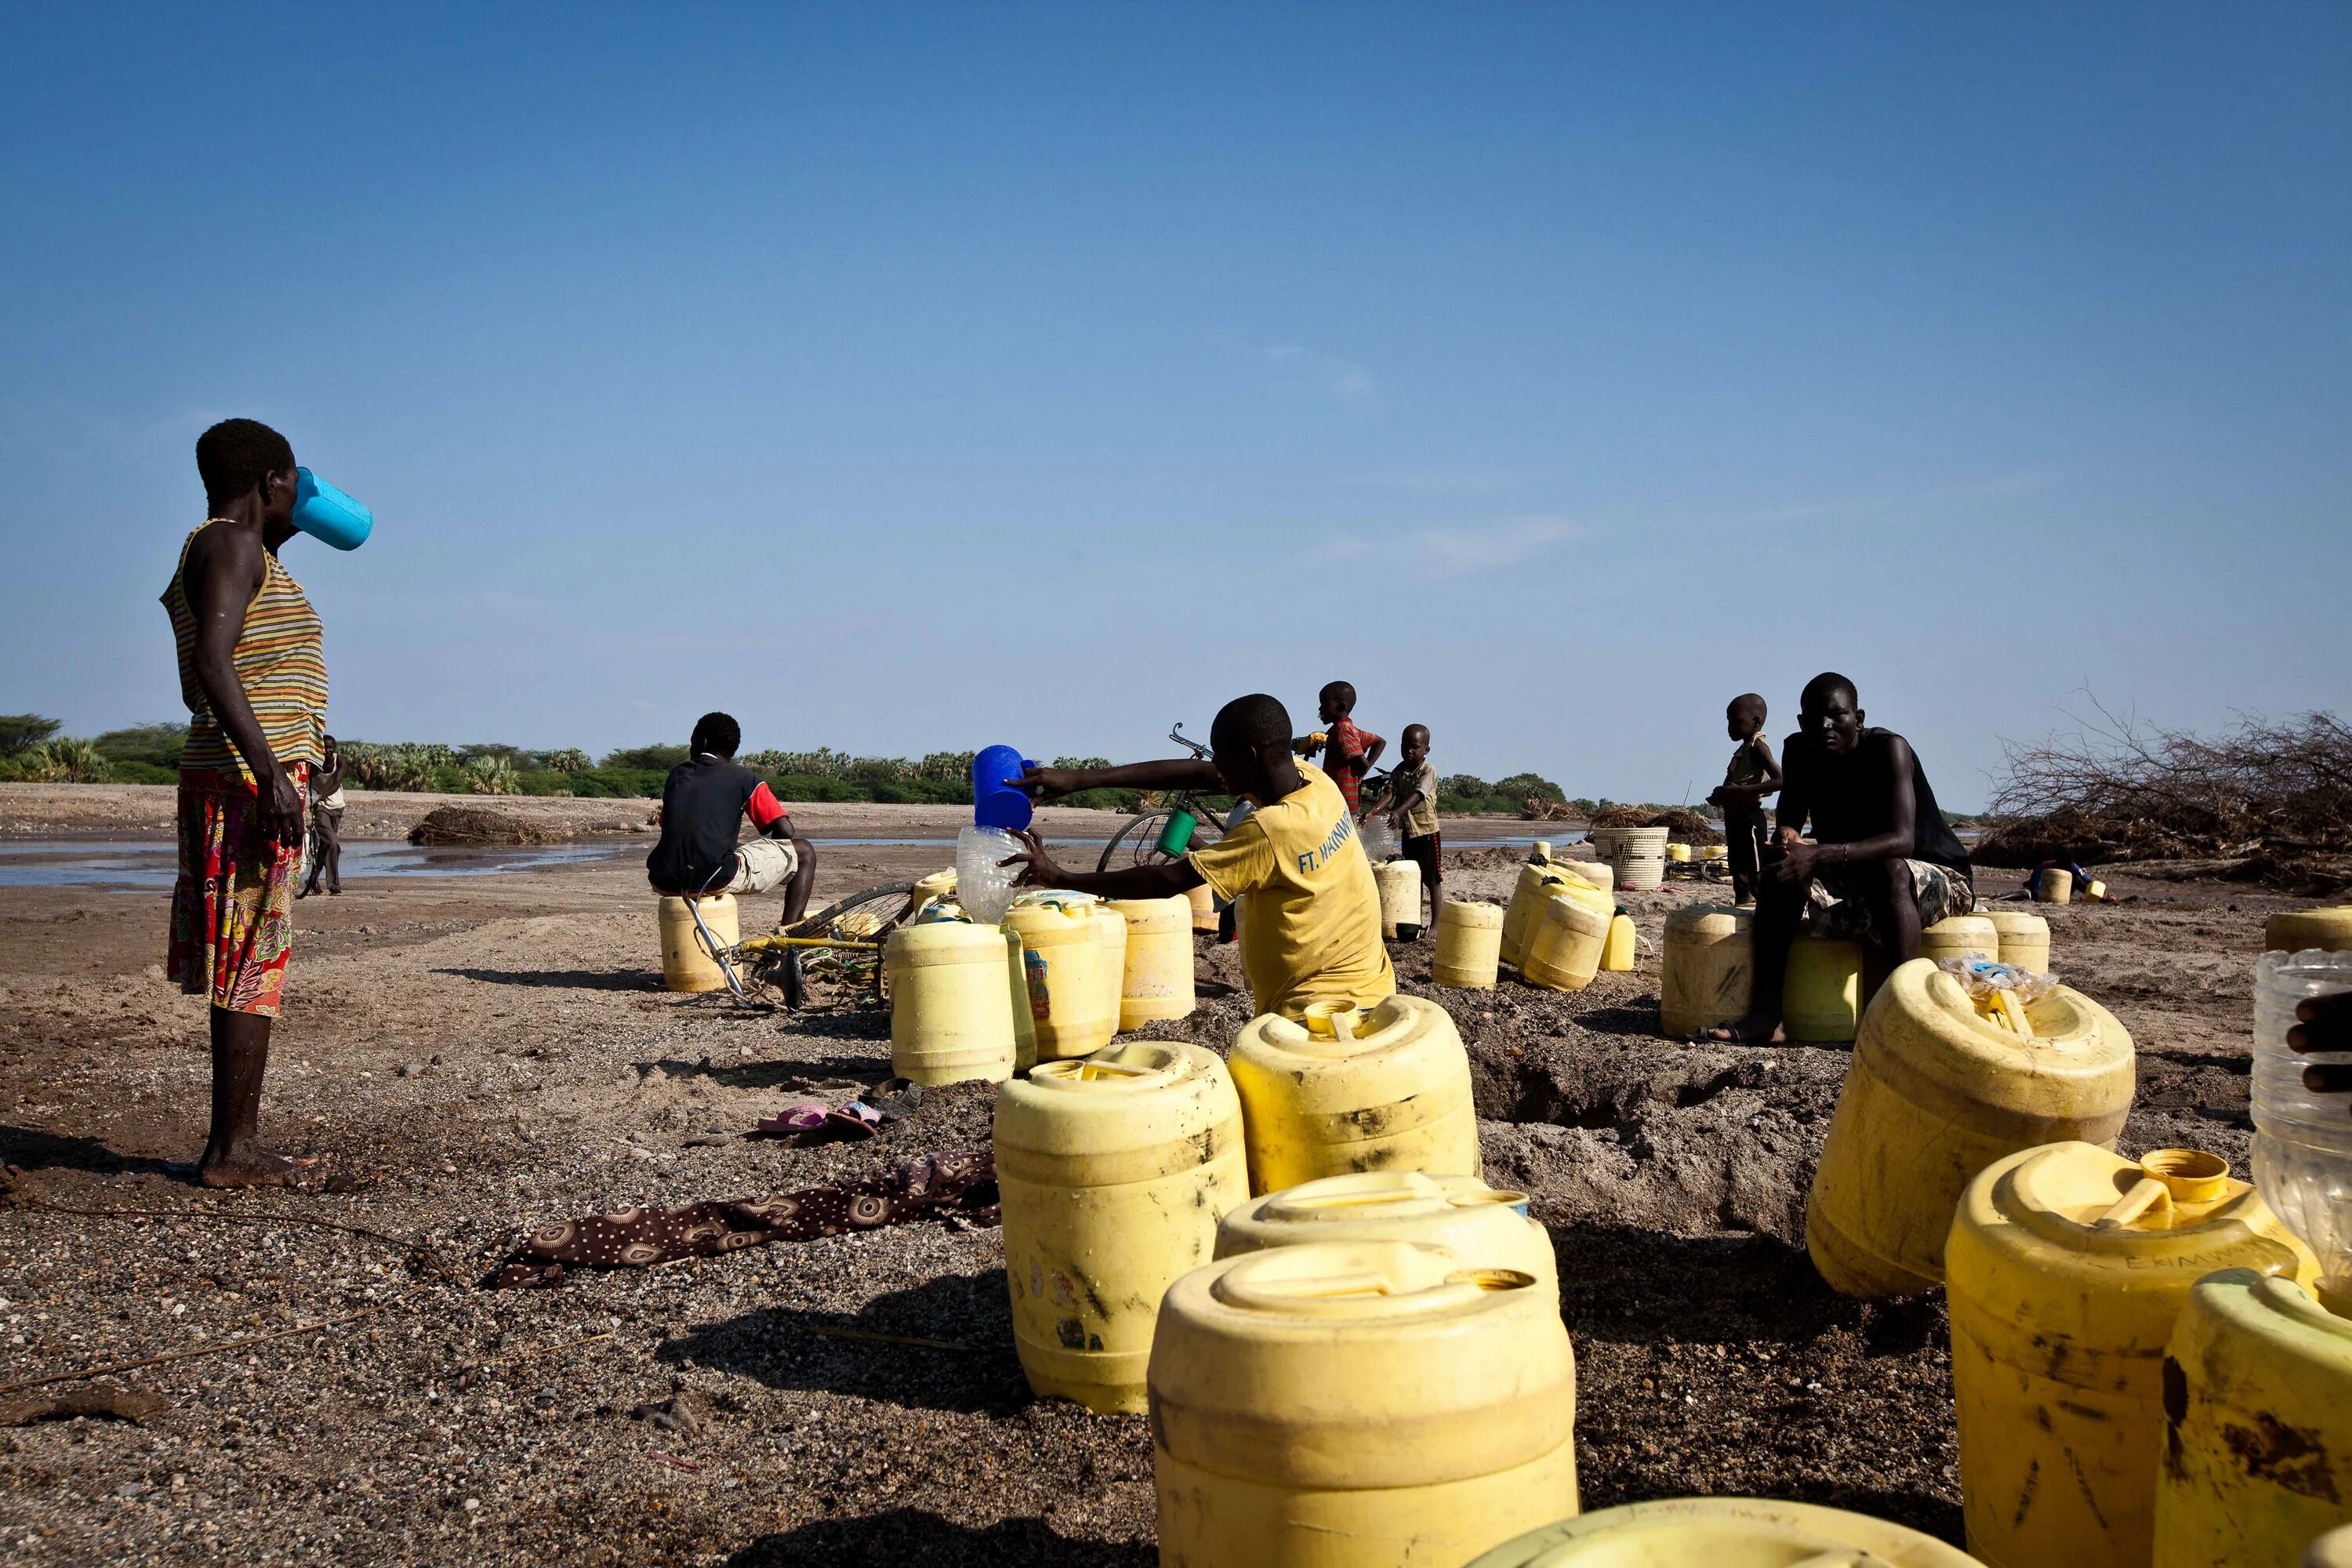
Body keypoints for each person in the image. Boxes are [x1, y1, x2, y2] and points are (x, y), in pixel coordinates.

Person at [162, 419, 332, 1186]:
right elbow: (212, 659)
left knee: (248, 957)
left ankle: (236, 1142)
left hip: (242, 771)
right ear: (270, 481)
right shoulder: (229, 544)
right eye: (295, 481)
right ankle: (232, 1151)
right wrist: (270, 773)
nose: (304, 493)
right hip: (241, 779)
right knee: (249, 959)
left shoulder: (241, 548)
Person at [1007, 692, 1395, 1020]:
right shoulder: (1314, 782)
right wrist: (1081, 780)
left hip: (1317, 1014)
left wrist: (1059, 878)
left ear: (1248, 757)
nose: (1216, 768)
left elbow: (1169, 880)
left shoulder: (1272, 829)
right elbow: (1200, 774)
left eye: (1222, 757)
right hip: (1373, 990)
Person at [1708, 672, 1974, 1044]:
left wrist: (1819, 853)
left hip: (1934, 878)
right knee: (1778, 875)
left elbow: (1903, 841)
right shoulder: (1799, 751)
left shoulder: (1888, 750)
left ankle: (1904, 1017)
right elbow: (1788, 822)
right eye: (1815, 718)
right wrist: (1787, 841)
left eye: (1837, 716)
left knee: (1889, 871)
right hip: (1855, 876)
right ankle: (1766, 1018)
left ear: (1859, 719)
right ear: (1802, 722)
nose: (1826, 726)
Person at [644, 713, 817, 927]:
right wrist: (768, 853)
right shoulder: (745, 778)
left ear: (703, 741)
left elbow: (680, 828)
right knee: (805, 852)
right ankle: (788, 940)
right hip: (713, 877)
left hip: (663, 877)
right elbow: (785, 830)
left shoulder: (678, 774)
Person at [1707, 694, 1782, 907]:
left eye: (1736, 720)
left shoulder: (1759, 747)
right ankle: (1741, 908)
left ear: (1756, 722)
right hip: (1734, 818)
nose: (1730, 726)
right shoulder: (1743, 749)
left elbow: (1780, 780)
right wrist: (1721, 794)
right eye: (1728, 720)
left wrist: (1740, 791)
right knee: (1738, 873)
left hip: (1749, 818)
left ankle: (1768, 915)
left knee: (1754, 872)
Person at [1377, 723, 1442, 934]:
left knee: (1432, 879)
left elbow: (1417, 795)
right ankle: (1414, 920)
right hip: (1409, 832)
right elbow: (1389, 793)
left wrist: (1398, 812)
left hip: (1426, 831)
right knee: (1413, 877)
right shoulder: (1399, 770)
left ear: (1426, 750)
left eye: (1414, 747)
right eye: (1405, 746)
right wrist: (1374, 811)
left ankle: (1436, 925)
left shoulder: (1427, 770)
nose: (1409, 751)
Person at [1298, 681, 1385, 815]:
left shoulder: (1342, 730)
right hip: (1340, 801)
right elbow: (1380, 741)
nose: (1320, 709)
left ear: (1341, 707)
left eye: (1325, 705)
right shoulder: (1348, 728)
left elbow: (1362, 763)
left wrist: (1360, 774)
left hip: (1341, 803)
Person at [298, 734, 346, 898]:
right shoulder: (313, 763)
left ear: (335, 749)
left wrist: (323, 795)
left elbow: (336, 783)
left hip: (337, 806)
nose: (327, 750)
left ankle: (312, 880)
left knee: (327, 847)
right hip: (319, 807)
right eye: (324, 747)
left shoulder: (340, 760)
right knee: (333, 844)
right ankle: (334, 886)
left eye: (330, 747)